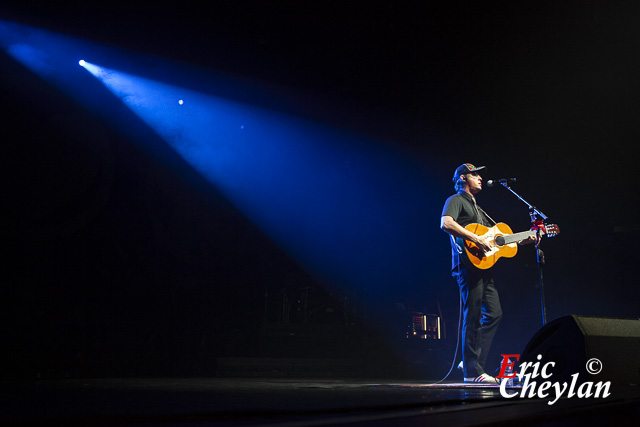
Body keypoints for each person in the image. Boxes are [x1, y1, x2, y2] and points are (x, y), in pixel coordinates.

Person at [440, 163, 533, 384]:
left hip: (483, 266)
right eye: (475, 174)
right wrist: (475, 238)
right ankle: (472, 372)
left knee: (494, 313)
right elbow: (445, 223)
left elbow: (500, 239)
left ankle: (470, 360)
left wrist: (527, 238)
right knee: (472, 316)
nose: (480, 177)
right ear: (463, 178)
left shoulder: (479, 210)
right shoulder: (456, 200)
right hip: (467, 265)